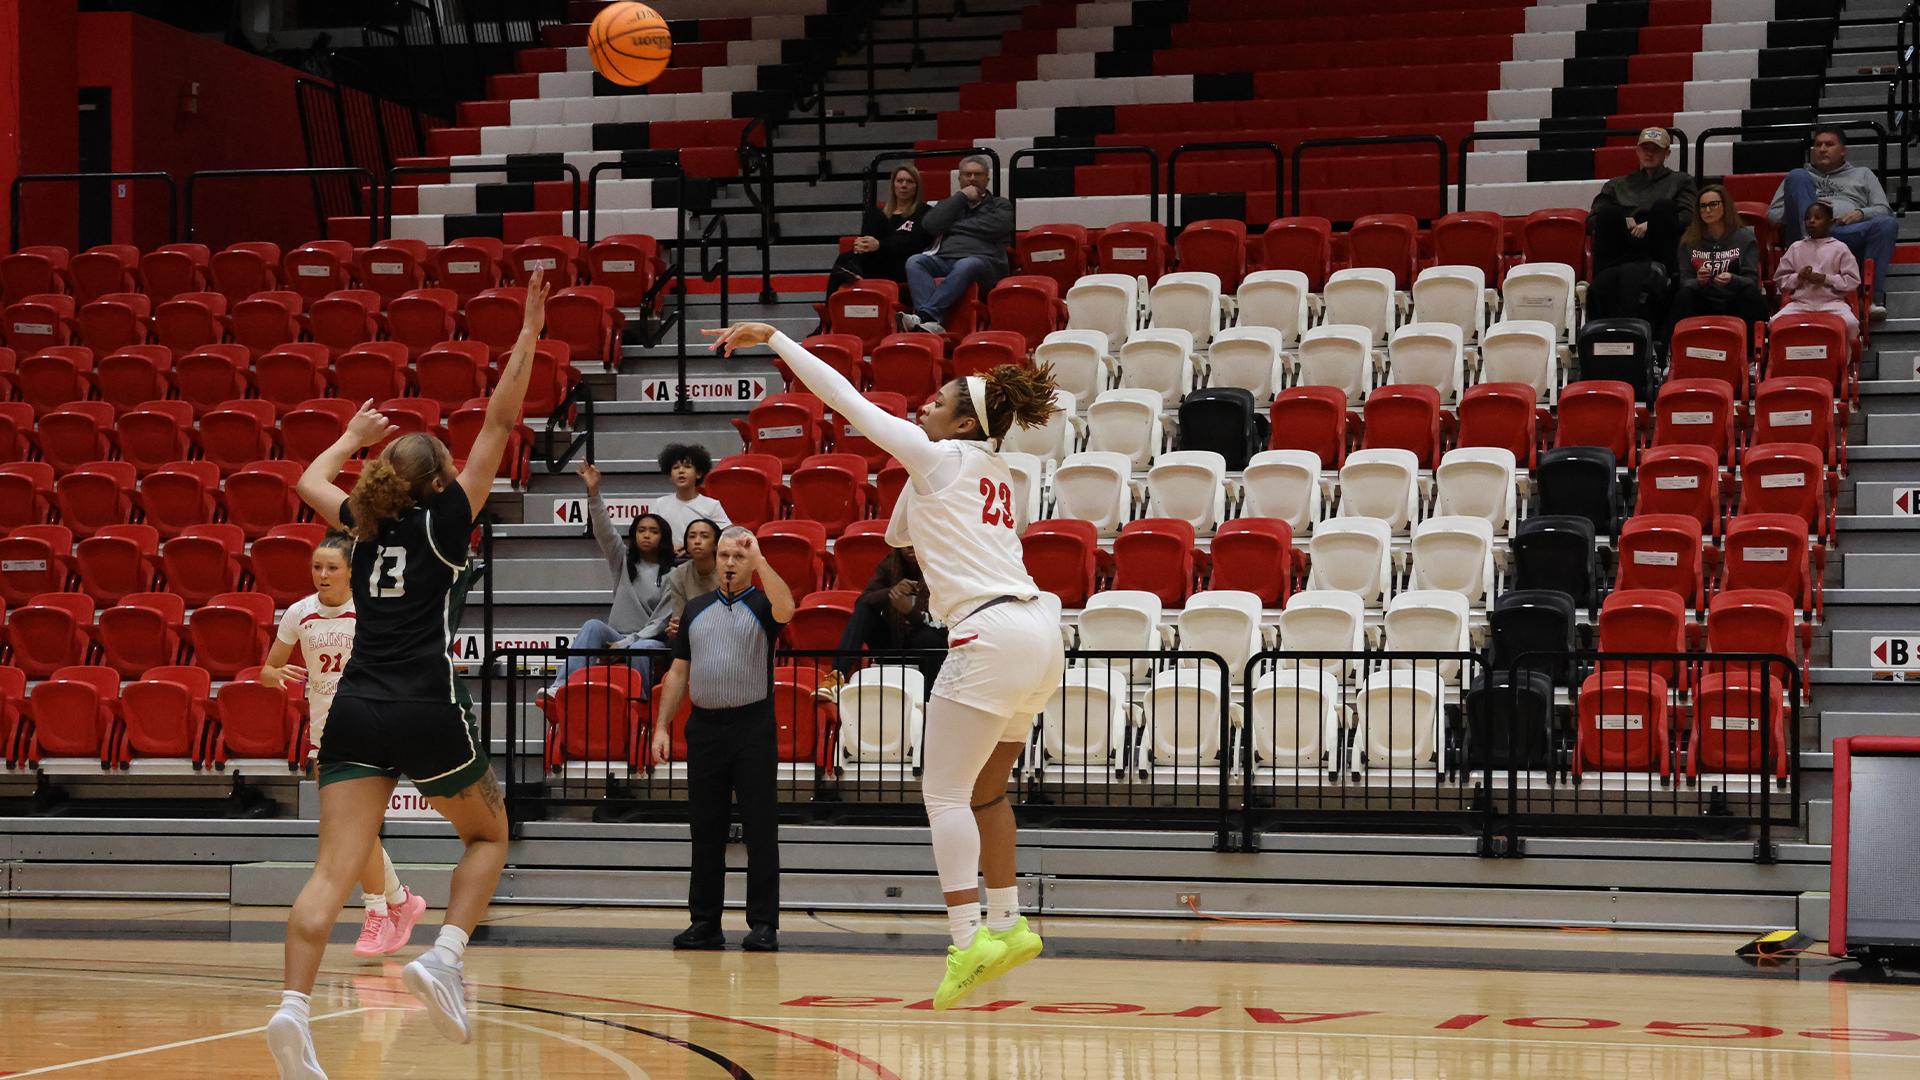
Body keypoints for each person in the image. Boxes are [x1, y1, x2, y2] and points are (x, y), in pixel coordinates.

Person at [706, 319, 1064, 1011]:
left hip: (989, 631)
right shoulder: (995, 470)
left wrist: (778, 339)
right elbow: (903, 532)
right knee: (987, 791)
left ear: (962, 423)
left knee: (944, 794)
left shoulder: (942, 458)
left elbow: (845, 400)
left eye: (937, 402)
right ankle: (1009, 921)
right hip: (1041, 631)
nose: (921, 407)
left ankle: (966, 940)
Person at [265, 270, 548, 1080]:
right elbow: (500, 420)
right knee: (490, 833)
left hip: (353, 706)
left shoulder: (361, 520)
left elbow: (306, 482)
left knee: (330, 872)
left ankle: (291, 1008)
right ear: (437, 481)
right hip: (426, 702)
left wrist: (352, 439)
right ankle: (445, 956)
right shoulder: (447, 521)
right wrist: (527, 334)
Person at [260, 532, 426, 959]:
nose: (322, 574)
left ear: (352, 571)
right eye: (317, 567)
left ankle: (378, 911)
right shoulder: (300, 613)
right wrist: (274, 675)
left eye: (332, 567)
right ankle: (399, 902)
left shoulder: (370, 611)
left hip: (370, 726)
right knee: (350, 829)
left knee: (349, 828)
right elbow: (268, 669)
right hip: (324, 734)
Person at [650, 526, 795, 953]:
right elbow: (678, 672)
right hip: (705, 731)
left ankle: (764, 924)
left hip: (752, 729)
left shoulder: (764, 605)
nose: (730, 562)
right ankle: (705, 923)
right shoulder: (694, 609)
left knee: (760, 829)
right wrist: (662, 726)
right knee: (705, 830)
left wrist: (762, 557)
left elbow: (788, 608)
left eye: (739, 556)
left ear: (751, 564)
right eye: (725, 555)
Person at [542, 461, 674, 702]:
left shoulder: (674, 575)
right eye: (641, 530)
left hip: (650, 642)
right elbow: (604, 530)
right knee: (593, 625)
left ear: (663, 538)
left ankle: (639, 701)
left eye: (653, 531)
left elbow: (659, 624)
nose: (646, 535)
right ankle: (561, 688)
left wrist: (625, 644)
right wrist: (593, 493)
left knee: (640, 648)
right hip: (617, 634)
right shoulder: (623, 560)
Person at [1767, 125, 1896, 319]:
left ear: (1843, 150)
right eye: (1818, 145)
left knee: (1887, 224)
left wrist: (1860, 213)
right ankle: (1811, 244)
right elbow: (1773, 214)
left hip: (1843, 234)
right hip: (1804, 239)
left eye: (1829, 144)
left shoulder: (1863, 174)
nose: (1822, 149)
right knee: (1797, 174)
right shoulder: (1801, 177)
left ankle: (1868, 300)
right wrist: (1812, 208)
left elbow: (1885, 209)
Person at [1586, 128, 1696, 324]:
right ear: (1637, 151)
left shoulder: (1680, 181)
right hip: (1622, 246)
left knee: (1663, 208)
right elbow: (1593, 219)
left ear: (1667, 153)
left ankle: (1668, 280)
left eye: (1656, 149)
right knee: (1609, 213)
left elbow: (1688, 214)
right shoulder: (1616, 185)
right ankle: (1600, 286)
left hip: (1659, 245)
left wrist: (1651, 224)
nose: (1649, 153)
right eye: (1645, 148)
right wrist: (1623, 218)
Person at [900, 155, 1014, 336]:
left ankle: (926, 315)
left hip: (986, 263)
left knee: (966, 264)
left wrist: (951, 226)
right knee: (915, 261)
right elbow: (930, 224)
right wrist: (961, 197)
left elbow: (1000, 226)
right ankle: (930, 322)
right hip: (945, 259)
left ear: (988, 179)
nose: (972, 178)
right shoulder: (950, 204)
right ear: (959, 178)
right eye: (967, 174)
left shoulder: (1000, 204)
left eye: (978, 174)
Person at [815, 545, 947, 699]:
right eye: (904, 541)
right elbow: (862, 601)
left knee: (929, 637)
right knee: (865, 610)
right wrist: (892, 591)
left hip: (926, 649)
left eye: (913, 539)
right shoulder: (889, 565)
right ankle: (836, 677)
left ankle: (929, 698)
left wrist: (910, 612)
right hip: (893, 645)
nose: (910, 545)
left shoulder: (939, 568)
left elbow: (942, 625)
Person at [1667, 182, 1767, 338]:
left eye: (1713, 204)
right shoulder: (1688, 240)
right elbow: (1685, 280)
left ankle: (1753, 352)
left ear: (1725, 206)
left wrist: (1732, 279)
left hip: (1734, 299)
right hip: (1704, 299)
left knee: (1751, 295)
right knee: (1683, 296)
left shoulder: (1745, 237)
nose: (1707, 210)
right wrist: (1698, 282)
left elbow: (1752, 280)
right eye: (1703, 206)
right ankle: (1675, 348)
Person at [826, 164, 930, 306]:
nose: (904, 185)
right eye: (900, 181)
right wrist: (863, 244)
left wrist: (880, 245)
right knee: (843, 258)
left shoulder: (923, 211)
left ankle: (857, 261)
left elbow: (914, 243)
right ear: (893, 185)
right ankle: (829, 315)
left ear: (917, 187)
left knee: (873, 213)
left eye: (909, 181)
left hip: (903, 264)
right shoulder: (884, 214)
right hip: (878, 262)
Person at [1774, 200, 1862, 336]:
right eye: (1808, 218)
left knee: (1851, 323)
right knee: (1775, 323)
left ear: (1830, 223)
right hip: (1801, 304)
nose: (1811, 221)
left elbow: (1852, 280)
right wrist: (1798, 277)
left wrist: (1825, 279)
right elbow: (1780, 279)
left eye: (1818, 218)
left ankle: (1845, 356)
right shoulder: (1796, 247)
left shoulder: (1840, 248)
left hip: (1832, 303)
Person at [651, 443, 729, 554]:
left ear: (698, 474)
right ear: (671, 475)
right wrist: (669, 548)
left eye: (687, 467)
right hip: (669, 561)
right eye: (676, 467)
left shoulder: (711, 505)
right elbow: (652, 534)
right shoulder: (660, 504)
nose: (681, 471)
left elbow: (729, 533)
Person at [665, 517, 724, 639]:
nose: (697, 541)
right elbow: (678, 618)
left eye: (704, 536)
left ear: (716, 545)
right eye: (692, 537)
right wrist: (676, 628)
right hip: (691, 638)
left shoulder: (728, 570)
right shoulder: (679, 574)